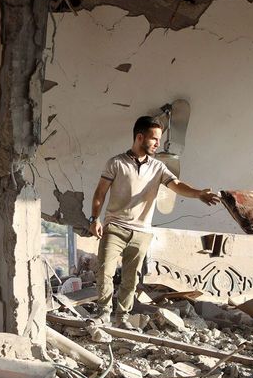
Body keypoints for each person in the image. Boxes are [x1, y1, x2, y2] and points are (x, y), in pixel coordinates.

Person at [88, 115, 220, 327]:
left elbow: (176, 185)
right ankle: (103, 313)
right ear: (140, 138)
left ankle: (122, 318)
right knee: (105, 272)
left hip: (142, 232)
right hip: (115, 227)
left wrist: (198, 194)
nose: (158, 143)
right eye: (154, 139)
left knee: (130, 279)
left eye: (159, 139)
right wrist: (94, 219)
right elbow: (100, 193)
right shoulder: (116, 163)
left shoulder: (158, 167)